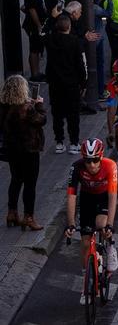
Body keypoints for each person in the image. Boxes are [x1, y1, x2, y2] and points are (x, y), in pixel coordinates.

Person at [65, 138, 118, 302]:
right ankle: (87, 283)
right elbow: (71, 197)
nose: (92, 165)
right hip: (87, 199)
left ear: (101, 157)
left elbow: (112, 197)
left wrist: (110, 224)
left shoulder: (110, 166)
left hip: (104, 197)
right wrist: (70, 223)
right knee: (85, 242)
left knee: (102, 225)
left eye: (95, 160)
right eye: (88, 161)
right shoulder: (76, 167)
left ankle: (110, 248)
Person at [2, 75, 47, 230]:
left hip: (12, 151)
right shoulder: (26, 108)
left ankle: (12, 212)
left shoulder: (4, 106)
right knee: (30, 184)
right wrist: (39, 105)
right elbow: (42, 120)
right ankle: (29, 217)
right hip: (29, 151)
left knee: (15, 180)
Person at [45, 15, 86, 154]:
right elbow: (80, 64)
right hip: (71, 84)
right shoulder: (74, 42)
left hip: (55, 83)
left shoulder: (50, 41)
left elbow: (45, 32)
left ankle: (59, 142)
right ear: (69, 26)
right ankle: (74, 142)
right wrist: (83, 83)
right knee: (73, 114)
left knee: (57, 114)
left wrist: (52, 17)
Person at [22, 0, 49, 79]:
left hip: (40, 24)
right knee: (34, 49)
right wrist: (38, 25)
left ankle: (37, 73)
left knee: (37, 49)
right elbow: (32, 10)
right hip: (34, 25)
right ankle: (34, 75)